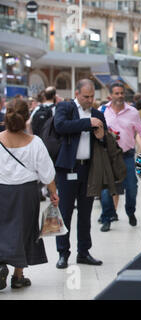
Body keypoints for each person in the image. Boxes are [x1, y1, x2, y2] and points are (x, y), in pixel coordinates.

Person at [0, 98, 59, 289]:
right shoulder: (35, 143)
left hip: (1, 190)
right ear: (27, 118)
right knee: (23, 230)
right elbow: (47, 173)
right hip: (26, 193)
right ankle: (18, 276)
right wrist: (53, 193)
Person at [53, 79, 106, 269]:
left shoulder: (98, 114)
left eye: (92, 96)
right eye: (86, 96)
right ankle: (62, 253)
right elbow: (60, 126)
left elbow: (104, 141)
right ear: (77, 94)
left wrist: (101, 137)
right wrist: (87, 123)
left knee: (85, 214)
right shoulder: (66, 108)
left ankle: (83, 252)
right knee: (65, 212)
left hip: (88, 170)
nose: (89, 100)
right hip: (68, 169)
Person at [99, 83, 141, 232]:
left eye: (122, 93)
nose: (120, 96)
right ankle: (107, 218)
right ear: (111, 95)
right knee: (106, 189)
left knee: (131, 187)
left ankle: (130, 212)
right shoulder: (103, 111)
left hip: (127, 155)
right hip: (109, 157)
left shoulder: (132, 112)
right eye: (116, 93)